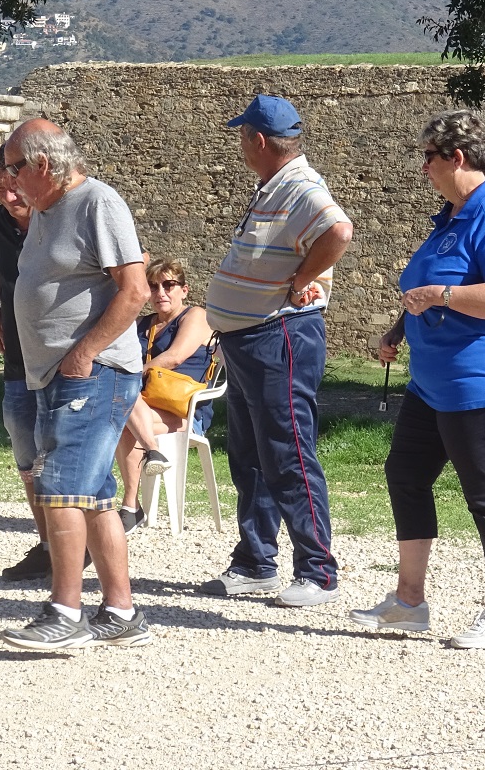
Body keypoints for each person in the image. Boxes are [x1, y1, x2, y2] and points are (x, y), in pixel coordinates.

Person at [349, 110, 485, 649]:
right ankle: (409, 602)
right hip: (431, 381)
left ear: (457, 158)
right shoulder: (450, 216)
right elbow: (427, 285)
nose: (423, 167)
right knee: (406, 474)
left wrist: (441, 296)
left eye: (429, 157)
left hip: (479, 377)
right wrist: (399, 329)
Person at [0, 117, 152, 650]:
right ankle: (121, 613)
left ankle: (65, 612)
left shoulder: (97, 203)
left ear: (42, 164)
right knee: (95, 496)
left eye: (14, 167)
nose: (8, 179)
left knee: (60, 487)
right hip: (55, 376)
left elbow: (135, 290)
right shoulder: (46, 211)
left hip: (93, 372)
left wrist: (84, 352)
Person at [202, 94, 353, 608]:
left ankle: (318, 571)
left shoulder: (300, 186)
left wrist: (303, 279)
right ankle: (256, 562)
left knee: (288, 453)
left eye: (243, 137)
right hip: (249, 339)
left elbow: (338, 230)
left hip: (279, 337)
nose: (241, 146)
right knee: (250, 455)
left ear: (260, 140)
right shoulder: (273, 186)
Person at [0, 145, 51, 580]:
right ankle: (47, 547)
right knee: (26, 453)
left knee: (60, 456)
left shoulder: (57, 221)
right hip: (18, 362)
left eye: (14, 185)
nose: (8, 196)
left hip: (63, 362)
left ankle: (79, 546)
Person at [114, 256, 215, 533]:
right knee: (121, 407)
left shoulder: (195, 316)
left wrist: (133, 373)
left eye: (169, 285)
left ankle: (130, 507)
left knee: (123, 407)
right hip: (142, 407)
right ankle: (152, 456)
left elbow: (175, 357)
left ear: (184, 290)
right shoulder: (141, 324)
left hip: (185, 413)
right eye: (153, 286)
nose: (161, 292)